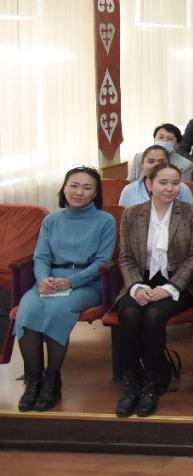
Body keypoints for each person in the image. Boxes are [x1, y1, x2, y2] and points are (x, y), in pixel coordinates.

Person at [13, 167, 115, 413]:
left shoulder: (105, 221)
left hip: (86, 283)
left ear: (95, 193)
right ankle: (34, 380)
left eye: (87, 188)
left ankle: (52, 379)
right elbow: (41, 257)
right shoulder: (51, 220)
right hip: (50, 280)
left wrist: (72, 282)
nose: (79, 192)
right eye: (74, 186)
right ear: (64, 188)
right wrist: (42, 280)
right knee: (28, 309)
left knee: (57, 310)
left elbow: (102, 262)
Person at [113, 162, 193, 418]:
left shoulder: (192, 213)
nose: (170, 188)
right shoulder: (132, 214)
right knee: (130, 314)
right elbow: (125, 257)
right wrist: (136, 286)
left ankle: (153, 381)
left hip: (177, 282)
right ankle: (132, 381)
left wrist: (170, 287)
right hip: (139, 280)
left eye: (175, 183)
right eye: (163, 183)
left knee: (154, 315)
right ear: (149, 184)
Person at [120, 145, 193, 206]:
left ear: (168, 164)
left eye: (161, 161)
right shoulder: (129, 190)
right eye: (151, 161)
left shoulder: (183, 189)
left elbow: (191, 217)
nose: (156, 165)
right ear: (142, 164)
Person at [127, 124, 193, 182]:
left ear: (177, 144)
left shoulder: (185, 164)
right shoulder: (139, 157)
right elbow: (130, 183)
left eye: (170, 138)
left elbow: (182, 189)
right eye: (161, 137)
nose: (164, 141)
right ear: (154, 139)